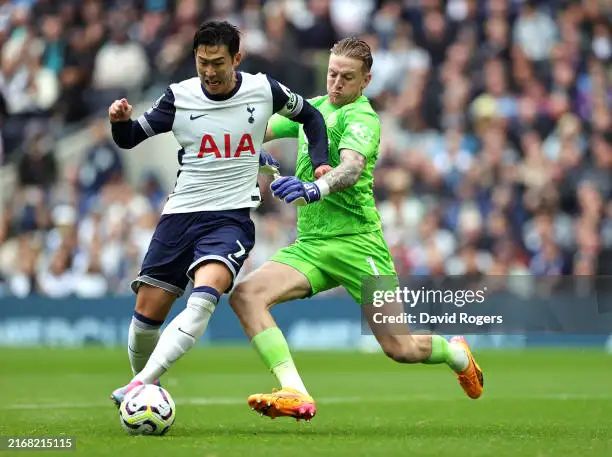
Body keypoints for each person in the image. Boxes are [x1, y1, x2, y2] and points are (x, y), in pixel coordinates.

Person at [228, 37, 484, 421]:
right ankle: (294, 391)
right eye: (332, 73)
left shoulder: (363, 117)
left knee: (400, 348)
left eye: (347, 77)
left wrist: (316, 188)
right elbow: (254, 130)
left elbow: (351, 168)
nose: (336, 83)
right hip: (311, 246)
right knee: (246, 295)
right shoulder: (311, 109)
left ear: (366, 80)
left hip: (358, 246)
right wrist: (251, 151)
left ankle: (457, 354)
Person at [108, 21, 330, 405]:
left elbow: (312, 116)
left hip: (230, 219)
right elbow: (130, 139)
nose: (209, 71)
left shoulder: (264, 90)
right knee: (146, 316)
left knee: (204, 298)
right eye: (202, 62)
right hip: (180, 216)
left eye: (218, 62)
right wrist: (119, 121)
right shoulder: (179, 97)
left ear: (237, 59)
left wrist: (321, 162)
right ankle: (144, 386)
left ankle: (138, 385)